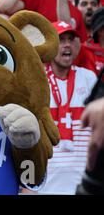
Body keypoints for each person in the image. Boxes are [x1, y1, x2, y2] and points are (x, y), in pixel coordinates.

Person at [37, 21, 96, 194]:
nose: (67, 45)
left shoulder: (88, 77)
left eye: (71, 39)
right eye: (61, 40)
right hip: (46, 182)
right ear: (51, 45)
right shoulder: (39, 81)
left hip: (81, 180)